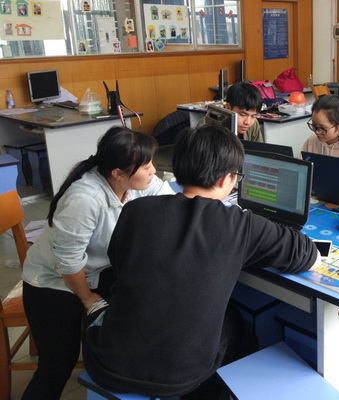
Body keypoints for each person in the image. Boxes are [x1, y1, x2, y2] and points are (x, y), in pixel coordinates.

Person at [82, 125, 319, 399]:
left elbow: (120, 264)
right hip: (181, 377)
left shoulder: (135, 210)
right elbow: (309, 256)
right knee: (235, 323)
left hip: (106, 363)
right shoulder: (240, 224)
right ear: (226, 180)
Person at [21, 127, 175, 400]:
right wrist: (88, 299)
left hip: (98, 270)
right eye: (146, 166)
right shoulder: (85, 199)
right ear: (118, 173)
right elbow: (69, 264)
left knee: (143, 308)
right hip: (56, 281)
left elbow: (173, 203)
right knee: (57, 365)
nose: (154, 171)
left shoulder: (136, 181)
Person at [198, 82, 264, 142]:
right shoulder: (207, 123)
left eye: (253, 116)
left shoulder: (254, 124)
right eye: (243, 114)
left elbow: (259, 150)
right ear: (228, 107)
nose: (248, 122)